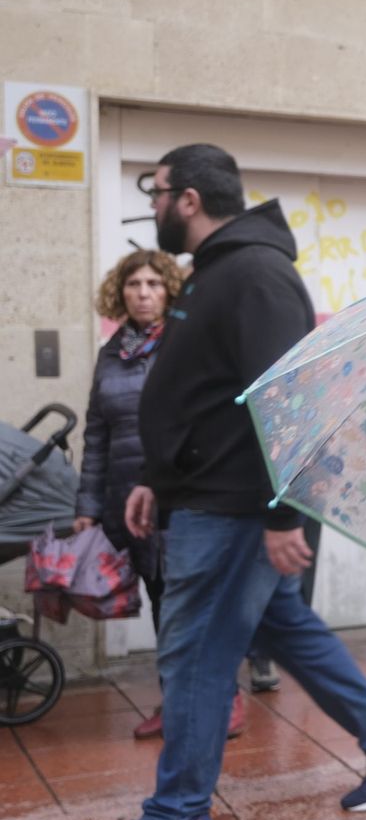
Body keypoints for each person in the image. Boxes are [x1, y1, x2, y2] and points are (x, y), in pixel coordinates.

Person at [82, 144, 366, 820]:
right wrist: (159, 473)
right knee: (282, 625)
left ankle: (179, 813)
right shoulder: (218, 272)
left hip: (236, 507)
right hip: (208, 496)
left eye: (156, 192)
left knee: (193, 656)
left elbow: (291, 401)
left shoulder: (256, 273)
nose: (150, 206)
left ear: (187, 198)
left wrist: (284, 516)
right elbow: (206, 397)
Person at [75, 249, 219, 740]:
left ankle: (222, 699)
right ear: (121, 291)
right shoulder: (111, 354)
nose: (143, 293)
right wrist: (88, 509)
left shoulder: (182, 347)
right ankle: (176, 702)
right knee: (162, 605)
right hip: (127, 508)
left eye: (154, 284)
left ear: (169, 291)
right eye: (134, 284)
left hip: (178, 502)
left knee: (186, 605)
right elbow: (96, 435)